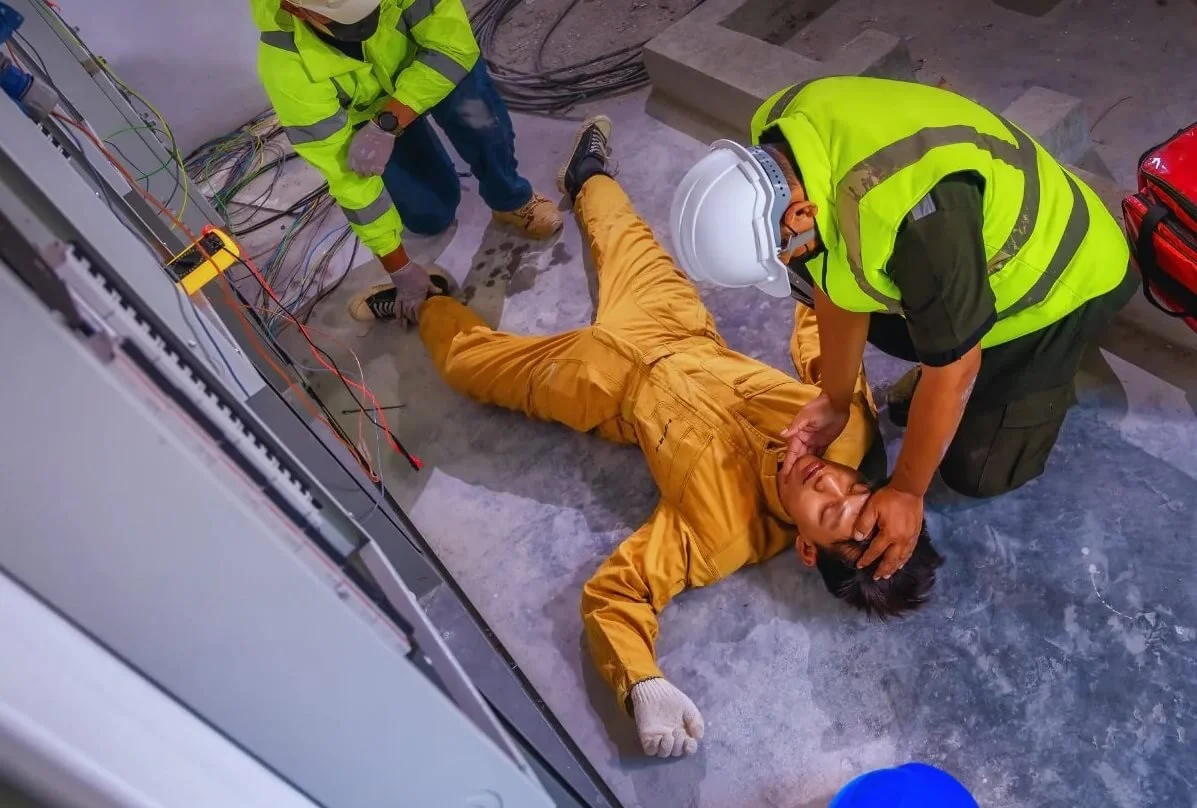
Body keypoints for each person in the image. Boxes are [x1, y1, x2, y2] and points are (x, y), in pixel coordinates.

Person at [419, 117, 945, 759]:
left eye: (831, 512)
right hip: (672, 324)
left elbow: (619, 593)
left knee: (466, 366)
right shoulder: (849, 431)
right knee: (616, 223)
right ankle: (587, 170)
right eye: (856, 488)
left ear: (808, 549)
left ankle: (422, 297)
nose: (830, 483)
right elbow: (824, 333)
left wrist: (641, 680)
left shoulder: (719, 533)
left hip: (594, 383)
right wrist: (816, 255)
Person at [671, 76, 1138, 582]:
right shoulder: (779, 129)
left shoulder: (913, 217)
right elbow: (832, 275)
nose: (830, 484)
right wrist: (834, 398)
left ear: (800, 211)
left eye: (783, 251)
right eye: (852, 491)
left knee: (980, 471)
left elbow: (956, 369)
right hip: (970, 255)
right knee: (822, 276)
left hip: (1062, 282)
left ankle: (1054, 362)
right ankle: (960, 353)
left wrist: (908, 490)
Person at [250, 0, 561, 324]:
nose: (363, 23)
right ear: (297, 10)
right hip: (367, 115)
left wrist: (390, 121)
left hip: (432, 67)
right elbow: (349, 181)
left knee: (478, 118)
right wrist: (399, 269)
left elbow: (453, 46)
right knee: (430, 216)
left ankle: (510, 197)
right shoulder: (287, 68)